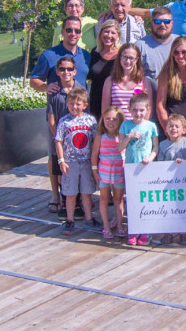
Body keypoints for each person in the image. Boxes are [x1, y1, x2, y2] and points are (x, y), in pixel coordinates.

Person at [55, 87, 100, 235]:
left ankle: (89, 218)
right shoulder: (64, 121)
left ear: (85, 105)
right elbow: (58, 141)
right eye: (71, 103)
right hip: (71, 162)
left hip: (86, 161)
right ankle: (70, 219)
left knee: (87, 192)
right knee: (70, 193)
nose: (74, 107)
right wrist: (61, 160)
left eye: (78, 104)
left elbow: (96, 140)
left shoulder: (90, 120)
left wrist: (96, 159)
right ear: (67, 104)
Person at [118, 93, 159, 246]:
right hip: (130, 168)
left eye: (141, 110)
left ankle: (146, 231)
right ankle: (133, 229)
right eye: (134, 110)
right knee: (132, 199)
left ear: (147, 110)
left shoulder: (151, 126)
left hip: (146, 168)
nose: (138, 113)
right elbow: (119, 147)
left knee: (146, 199)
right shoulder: (125, 125)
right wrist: (129, 137)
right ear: (129, 109)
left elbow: (156, 147)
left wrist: (151, 157)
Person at [158, 113, 186, 246]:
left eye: (177, 126)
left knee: (182, 208)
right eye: (171, 126)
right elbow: (159, 164)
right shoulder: (162, 145)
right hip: (167, 183)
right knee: (168, 207)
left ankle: (183, 232)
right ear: (166, 129)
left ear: (184, 130)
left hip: (184, 183)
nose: (173, 128)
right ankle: (168, 232)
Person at [46, 56, 77, 219]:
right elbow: (51, 120)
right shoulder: (53, 92)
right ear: (57, 72)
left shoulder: (80, 89)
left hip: (78, 139)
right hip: (59, 138)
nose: (66, 72)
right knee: (60, 170)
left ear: (75, 71)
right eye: (62, 69)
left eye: (69, 69)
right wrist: (59, 138)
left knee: (77, 168)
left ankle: (76, 200)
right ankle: (62, 199)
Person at [30, 16, 90, 94]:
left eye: (77, 31)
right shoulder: (48, 55)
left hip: (80, 105)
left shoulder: (86, 56)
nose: (73, 34)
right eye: (69, 30)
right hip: (58, 104)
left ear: (80, 34)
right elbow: (34, 80)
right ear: (62, 32)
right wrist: (46, 87)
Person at [91, 106, 126, 240]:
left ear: (120, 121)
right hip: (103, 172)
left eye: (114, 119)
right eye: (107, 119)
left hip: (118, 172)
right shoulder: (101, 136)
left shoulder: (121, 136)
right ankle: (106, 225)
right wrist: (95, 172)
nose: (110, 122)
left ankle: (119, 225)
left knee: (118, 199)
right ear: (103, 120)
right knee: (104, 199)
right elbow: (94, 154)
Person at [101, 43, 153, 120]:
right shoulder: (110, 81)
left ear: (137, 59)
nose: (128, 61)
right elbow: (105, 110)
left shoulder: (144, 82)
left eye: (131, 58)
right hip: (116, 127)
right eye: (125, 57)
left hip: (136, 127)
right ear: (120, 57)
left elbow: (148, 110)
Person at [87, 20, 120, 117]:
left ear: (118, 35)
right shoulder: (95, 52)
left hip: (115, 100)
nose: (109, 35)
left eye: (113, 33)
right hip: (96, 99)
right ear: (100, 33)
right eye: (106, 32)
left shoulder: (122, 53)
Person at [134, 6, 175, 84]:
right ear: (152, 23)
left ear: (171, 23)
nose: (162, 25)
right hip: (148, 95)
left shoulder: (180, 44)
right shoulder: (140, 46)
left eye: (166, 21)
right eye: (157, 21)